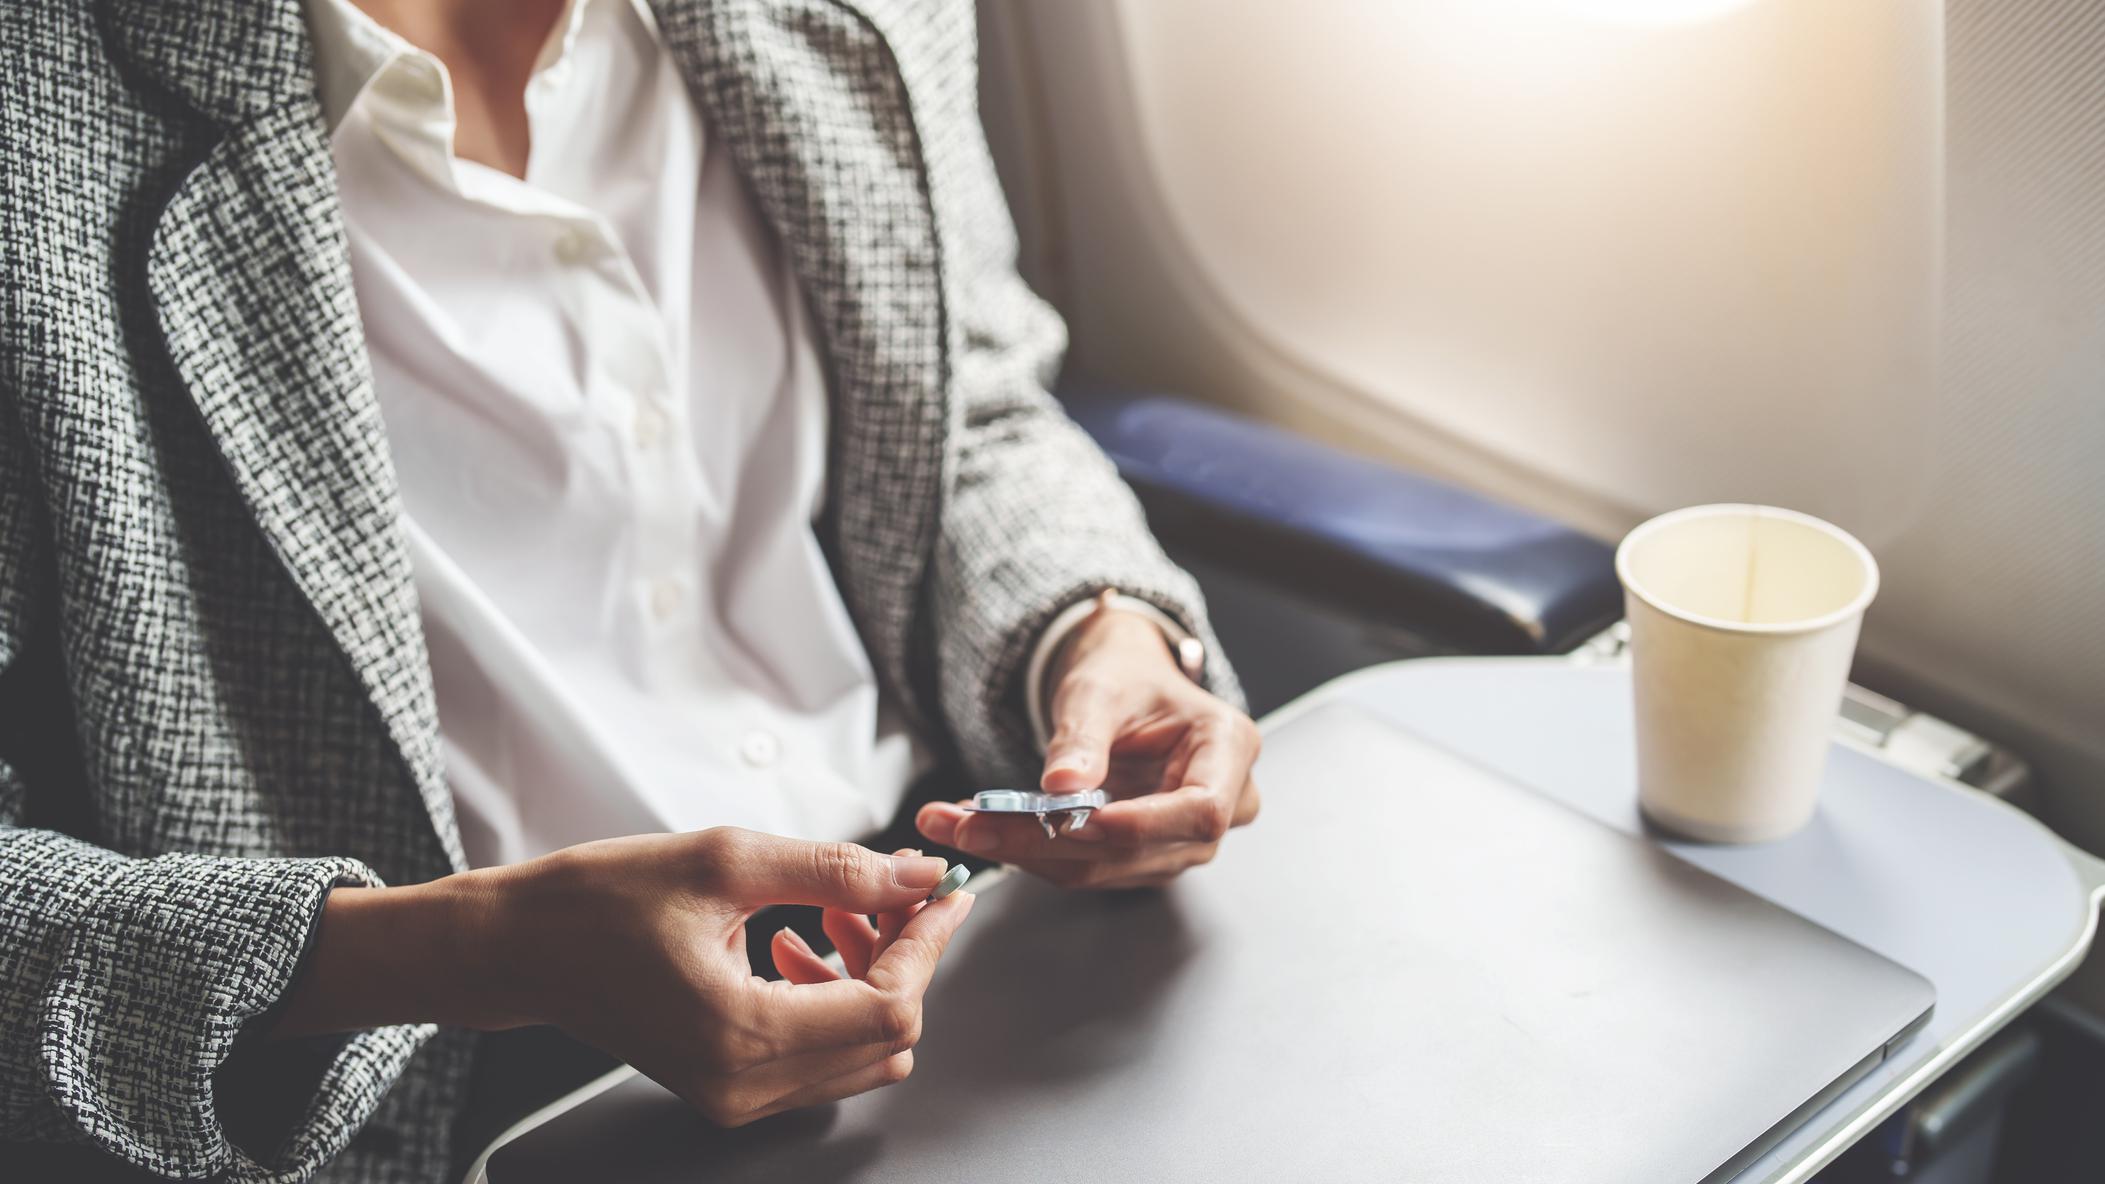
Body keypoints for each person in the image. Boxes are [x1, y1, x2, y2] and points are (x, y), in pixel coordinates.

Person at [0, 0, 1262, 1180]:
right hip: (431, 1073)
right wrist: (467, 951)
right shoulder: (40, 118)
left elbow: (966, 404)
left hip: (953, 926)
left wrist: (1096, 633)